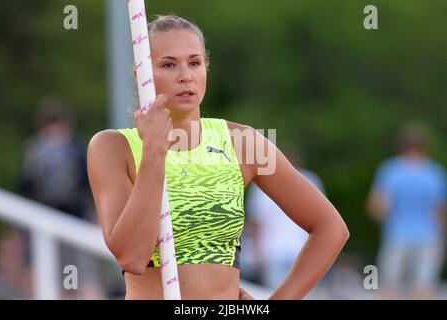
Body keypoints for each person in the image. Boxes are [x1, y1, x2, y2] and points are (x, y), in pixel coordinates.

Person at [87, 15, 349, 300]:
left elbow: (331, 228)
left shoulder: (242, 143)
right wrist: (153, 152)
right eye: (169, 64)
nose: (185, 75)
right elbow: (131, 257)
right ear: (142, 75)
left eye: (194, 63)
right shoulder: (113, 148)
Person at [19, 96, 104, 299]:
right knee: (78, 278)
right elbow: (89, 182)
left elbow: (25, 186)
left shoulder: (35, 149)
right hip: (75, 220)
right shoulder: (74, 146)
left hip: (46, 221)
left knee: (55, 278)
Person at [367, 122, 447, 299]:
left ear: (402, 146)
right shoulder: (434, 173)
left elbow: (377, 206)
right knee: (424, 287)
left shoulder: (391, 170)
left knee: (388, 286)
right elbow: (439, 211)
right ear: (426, 147)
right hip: (428, 235)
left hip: (397, 233)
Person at [241, 152, 326, 289]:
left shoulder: (263, 182)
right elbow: (323, 221)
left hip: (275, 253)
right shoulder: (311, 180)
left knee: (274, 291)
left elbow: (256, 222)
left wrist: (257, 253)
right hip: (302, 252)